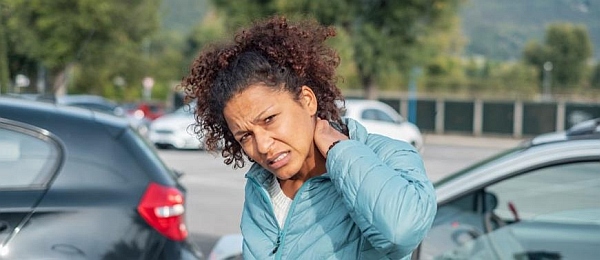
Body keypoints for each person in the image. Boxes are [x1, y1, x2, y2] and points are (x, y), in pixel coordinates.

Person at [181, 15, 436, 260]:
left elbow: (402, 233)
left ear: (307, 100)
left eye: (269, 119)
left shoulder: (388, 155)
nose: (263, 146)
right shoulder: (260, 186)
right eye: (245, 136)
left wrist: (339, 150)